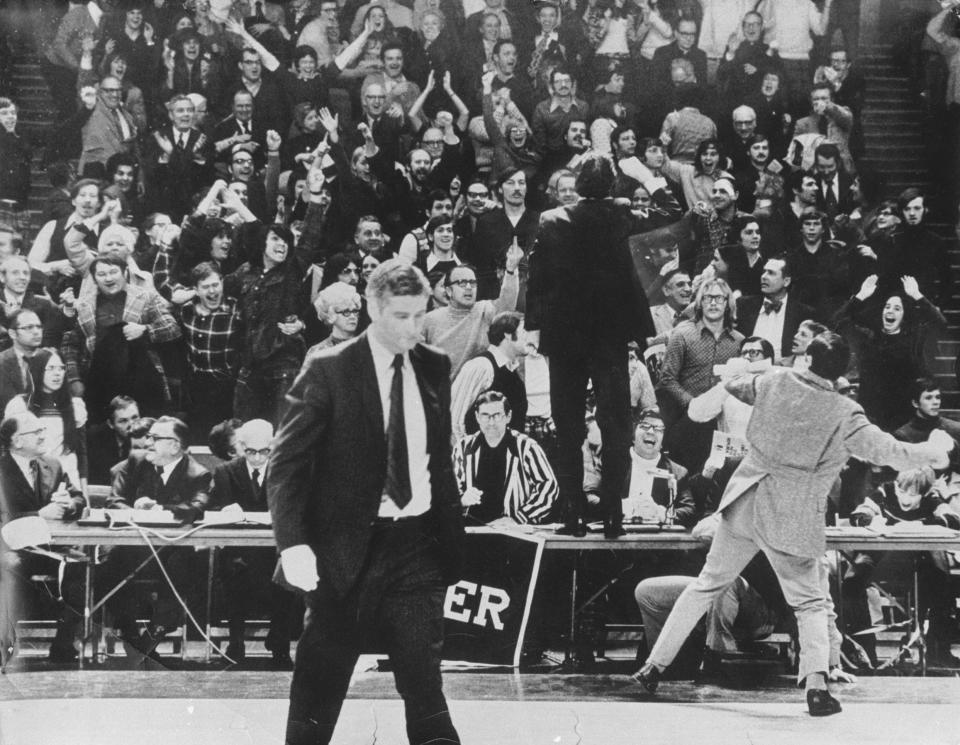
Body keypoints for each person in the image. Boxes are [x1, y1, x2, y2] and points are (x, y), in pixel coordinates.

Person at [633, 331, 953, 716]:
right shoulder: (844, 413)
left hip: (745, 502)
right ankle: (816, 686)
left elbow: (720, 394)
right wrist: (935, 451)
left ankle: (653, 667)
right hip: (792, 515)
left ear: (807, 360)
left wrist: (741, 370)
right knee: (811, 603)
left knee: (705, 586)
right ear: (842, 372)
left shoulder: (774, 380)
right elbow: (892, 452)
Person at [267, 259, 464, 745]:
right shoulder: (329, 368)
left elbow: (438, 462)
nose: (413, 327)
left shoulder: (434, 365)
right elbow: (287, 463)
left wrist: (450, 541)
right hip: (342, 551)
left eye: (421, 314)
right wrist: (292, 544)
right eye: (401, 316)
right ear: (373, 309)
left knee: (424, 680)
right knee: (320, 685)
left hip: (416, 548)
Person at [526, 153, 654, 538]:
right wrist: (641, 173)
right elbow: (669, 210)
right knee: (615, 425)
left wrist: (533, 326)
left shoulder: (551, 220)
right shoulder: (621, 212)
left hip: (565, 336)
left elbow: (536, 277)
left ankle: (572, 516)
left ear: (578, 183)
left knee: (567, 427)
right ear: (612, 184)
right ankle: (613, 516)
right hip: (609, 335)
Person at [100, 416, 212, 657]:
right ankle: (129, 634)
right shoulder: (136, 461)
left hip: (173, 550)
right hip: (133, 547)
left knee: (185, 568)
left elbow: (196, 507)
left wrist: (160, 509)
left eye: (155, 438)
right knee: (109, 565)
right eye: (149, 437)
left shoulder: (198, 474)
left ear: (174, 445)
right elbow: (113, 500)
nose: (148, 442)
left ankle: (152, 637)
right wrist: (132, 510)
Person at [0, 411, 86, 665]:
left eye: (42, 431)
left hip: (51, 548)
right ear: (16, 441)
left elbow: (79, 498)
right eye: (35, 432)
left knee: (82, 568)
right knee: (9, 566)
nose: (42, 436)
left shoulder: (54, 464)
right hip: (10, 549)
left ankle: (63, 643)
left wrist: (69, 504)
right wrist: (38, 514)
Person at [210, 419, 298, 667]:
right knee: (234, 572)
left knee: (287, 572)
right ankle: (235, 643)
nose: (258, 458)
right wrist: (225, 509)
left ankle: (279, 643)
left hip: (276, 549)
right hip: (240, 551)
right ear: (241, 447)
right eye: (251, 451)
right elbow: (213, 507)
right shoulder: (226, 471)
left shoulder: (285, 470)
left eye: (264, 451)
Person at [453, 390, 557, 526]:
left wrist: (518, 518)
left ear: (508, 416)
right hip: (472, 531)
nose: (491, 422)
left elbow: (549, 486)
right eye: (485, 415)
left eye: (497, 416)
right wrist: (461, 499)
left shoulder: (526, 447)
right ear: (477, 417)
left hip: (513, 532)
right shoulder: (463, 447)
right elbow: (449, 490)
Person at [449, 310, 528, 442]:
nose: (529, 337)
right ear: (508, 335)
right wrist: (466, 458)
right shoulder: (482, 366)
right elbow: (454, 420)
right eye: (525, 331)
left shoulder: (512, 369)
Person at [734, 255, 816, 362]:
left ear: (786, 281)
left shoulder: (803, 313)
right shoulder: (744, 305)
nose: (764, 276)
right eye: (764, 272)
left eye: (771, 273)